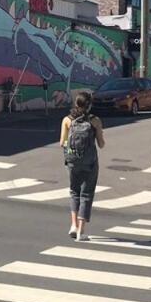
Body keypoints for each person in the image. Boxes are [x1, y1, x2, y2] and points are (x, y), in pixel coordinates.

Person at [59, 91, 105, 241]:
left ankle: (73, 225)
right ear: (89, 105)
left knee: (74, 191)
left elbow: (62, 143)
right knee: (87, 194)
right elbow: (101, 144)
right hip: (90, 161)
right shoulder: (95, 121)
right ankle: (81, 231)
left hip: (72, 160)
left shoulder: (67, 120)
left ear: (76, 103)